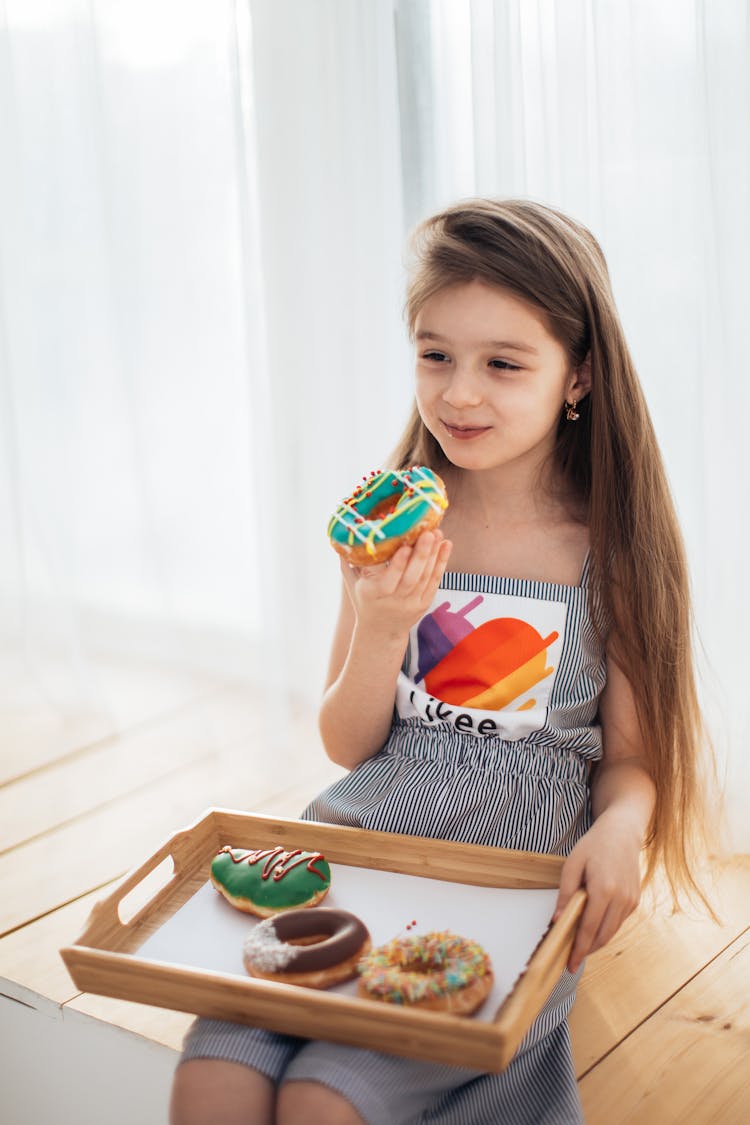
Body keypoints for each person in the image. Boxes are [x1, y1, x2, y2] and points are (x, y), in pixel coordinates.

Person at [170, 198, 713, 1124]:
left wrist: (622, 827)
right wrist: (382, 623)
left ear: (578, 375)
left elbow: (631, 759)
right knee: (214, 1077)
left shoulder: (611, 550)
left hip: (504, 877)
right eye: (435, 355)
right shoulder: (393, 523)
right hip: (363, 841)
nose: (460, 392)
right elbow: (348, 743)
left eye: (503, 364)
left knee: (322, 1096)